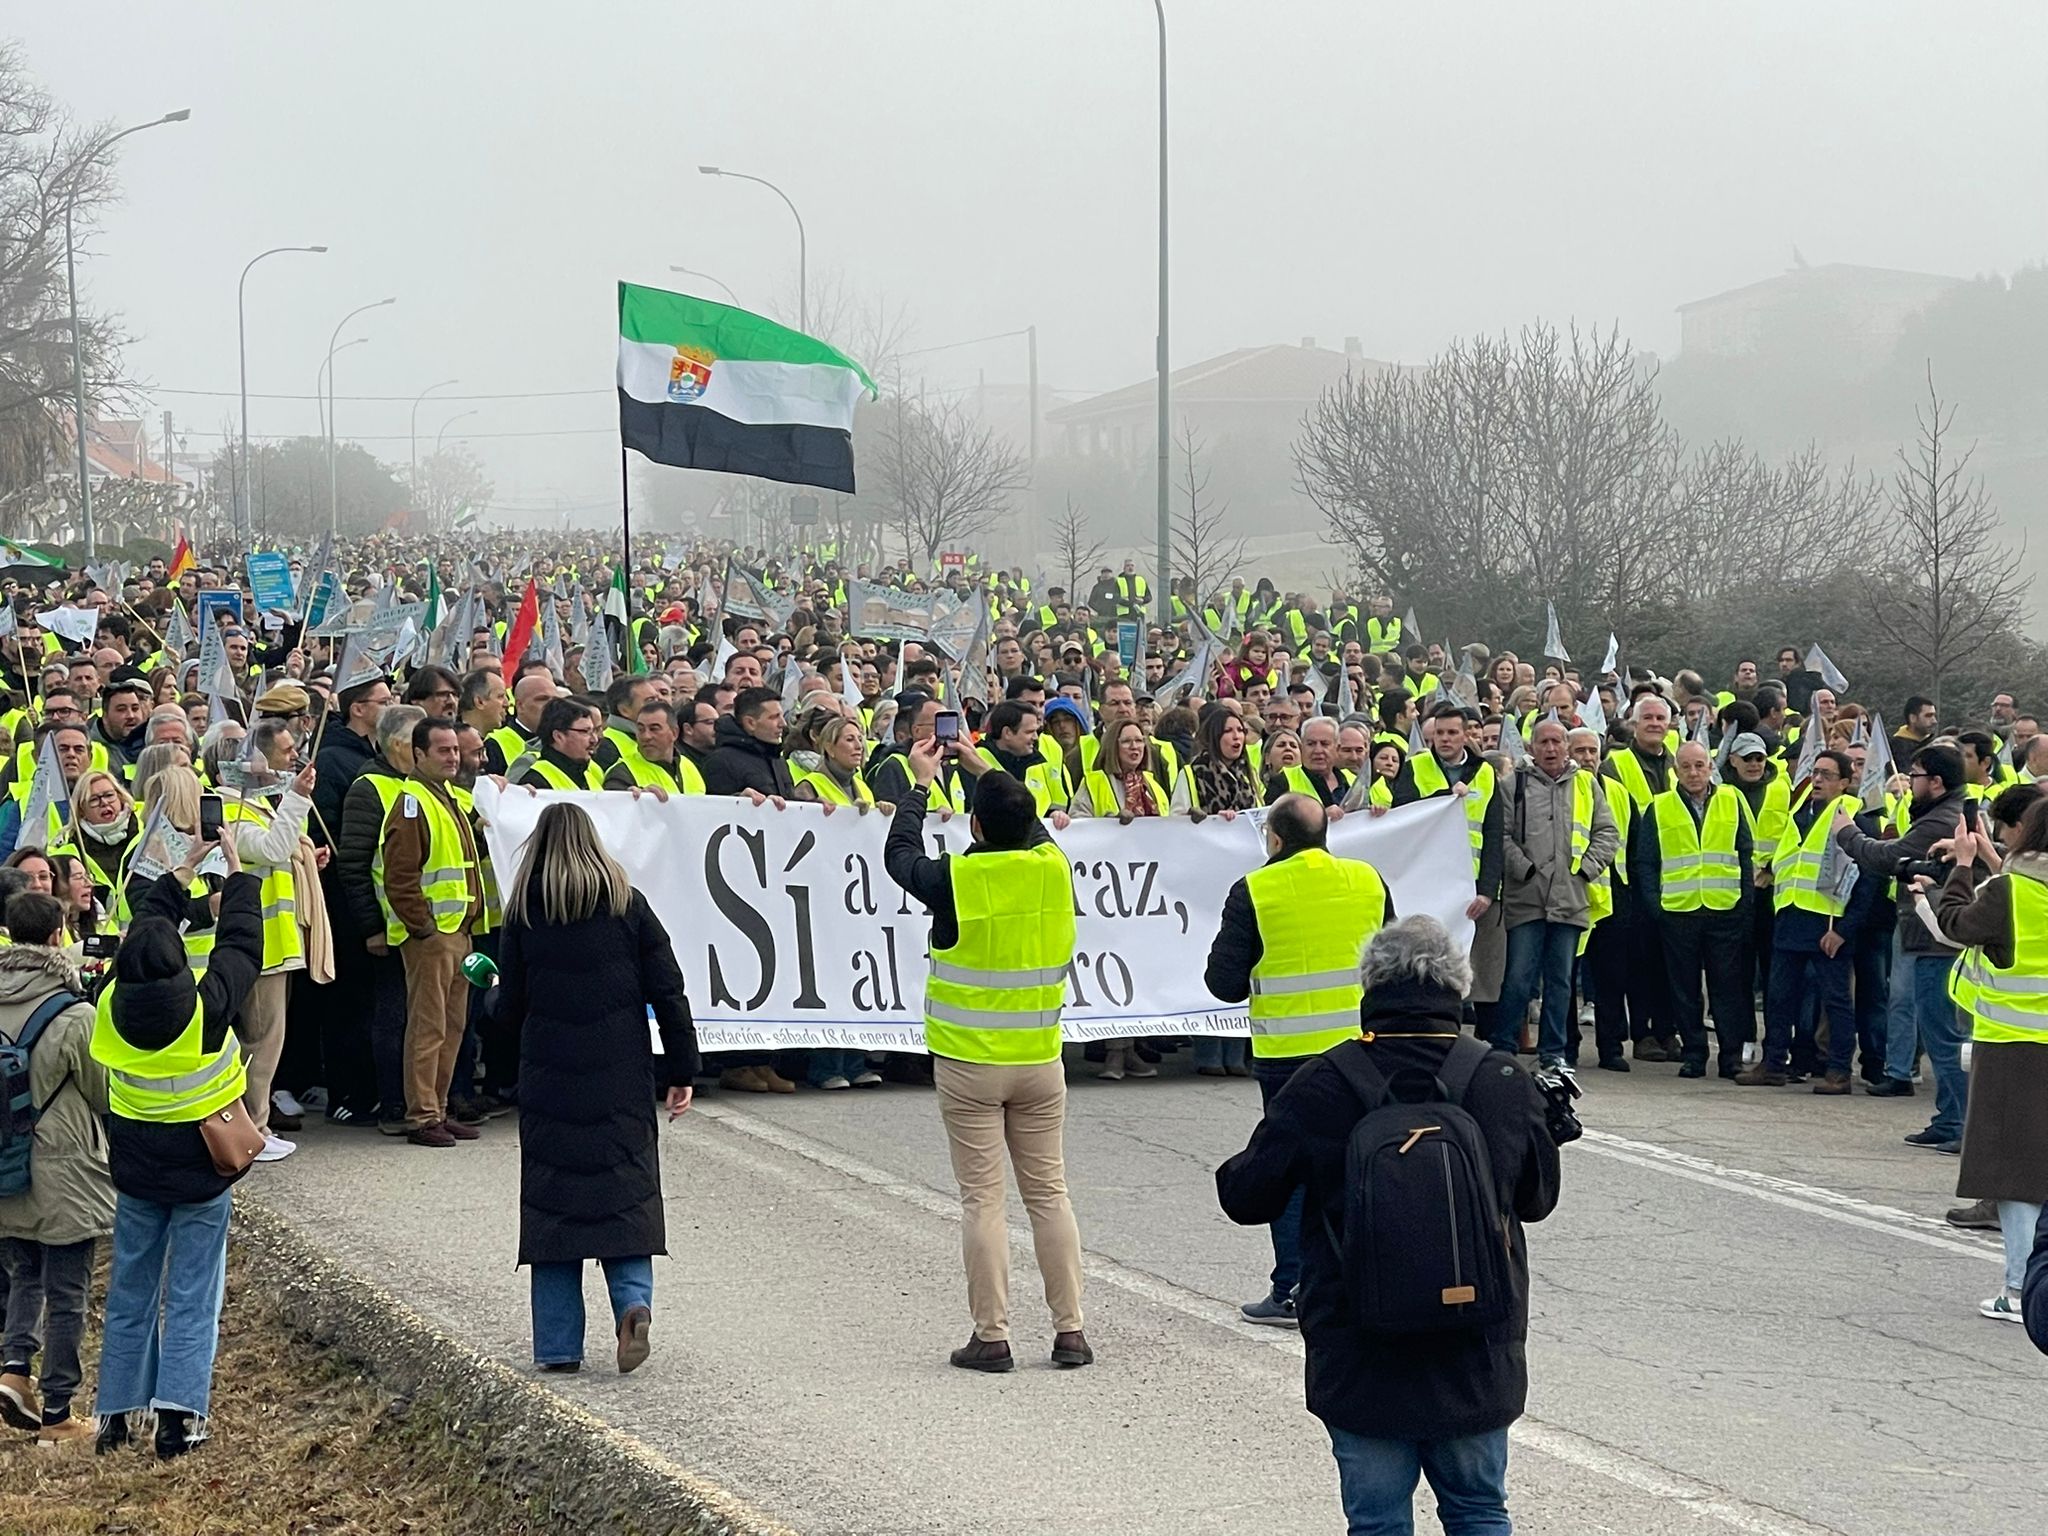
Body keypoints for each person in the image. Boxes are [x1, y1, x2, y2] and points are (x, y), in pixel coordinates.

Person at [1215, 917, 1561, 1535]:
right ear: (1457, 986)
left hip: (1360, 1346)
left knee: (1376, 1522)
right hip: (1476, 1345)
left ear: (1369, 987)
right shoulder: (1500, 1077)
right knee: (1480, 1509)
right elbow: (1536, 1201)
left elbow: (1245, 1196)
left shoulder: (1324, 1081)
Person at [883, 734, 1090, 1373]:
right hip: (1039, 1058)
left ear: (972, 823)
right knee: (1050, 1196)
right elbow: (1025, 823)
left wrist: (919, 784)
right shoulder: (1052, 866)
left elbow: (900, 856)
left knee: (984, 1200)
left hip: (969, 1062)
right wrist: (981, 766)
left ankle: (992, 1334)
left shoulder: (958, 877)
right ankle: (1070, 1331)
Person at [488, 803, 696, 1373]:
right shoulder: (628, 905)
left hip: (550, 1080)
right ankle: (633, 1305)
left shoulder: (525, 914)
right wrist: (682, 1069)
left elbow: (510, 1010)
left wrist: (498, 1062)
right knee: (625, 1197)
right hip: (621, 1078)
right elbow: (669, 991)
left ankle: (558, 1346)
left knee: (553, 1211)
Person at [89, 832, 263, 1459]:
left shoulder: (107, 1002)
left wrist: (176, 874)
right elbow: (242, 944)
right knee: (191, 1297)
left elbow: (145, 932)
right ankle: (179, 1419)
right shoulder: (205, 1004)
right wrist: (235, 876)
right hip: (203, 1165)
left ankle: (113, 1415)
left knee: (131, 1291)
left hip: (135, 1167)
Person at [1205, 793, 1394, 1328]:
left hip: (1289, 1056)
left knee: (1291, 1169)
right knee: (1362, 1164)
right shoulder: (1367, 879)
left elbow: (1222, 984)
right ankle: (1370, 1277)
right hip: (1363, 1050)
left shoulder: (1255, 890)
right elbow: (1391, 964)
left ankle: (1291, 1288)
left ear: (1277, 839)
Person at [0, 890, 108, 1449]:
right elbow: (101, 1091)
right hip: (63, 1170)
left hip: (3, 1167)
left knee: (23, 1273)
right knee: (67, 1292)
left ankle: (15, 1371)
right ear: (56, 937)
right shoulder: (74, 1014)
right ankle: (60, 1413)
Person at [1936, 794, 2048, 1323]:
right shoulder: (2016, 884)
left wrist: (1961, 867)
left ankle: (2020, 1287)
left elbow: (1956, 924)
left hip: (2014, 1047)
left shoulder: (2010, 890)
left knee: (2014, 1174)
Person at [1835, 743, 1971, 1147]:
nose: (1910, 783)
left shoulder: (1940, 819)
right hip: (1926, 934)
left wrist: (1847, 833)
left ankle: (1961, 1124)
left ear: (1936, 781)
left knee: (1943, 1036)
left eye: (1916, 776)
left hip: (1936, 939)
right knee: (1935, 1028)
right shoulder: (1938, 814)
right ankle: (1949, 1119)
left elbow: (1888, 856)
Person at [1739, 750, 1875, 1091]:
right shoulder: (1800, 812)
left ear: (1845, 782)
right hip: (1791, 918)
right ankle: (1773, 1064)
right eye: (1815, 772)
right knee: (1779, 997)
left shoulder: (1855, 817)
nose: (1816, 780)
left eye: (1827, 775)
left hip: (1828, 924)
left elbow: (1869, 881)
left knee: (1836, 1000)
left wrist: (1845, 930)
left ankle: (1839, 1070)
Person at [379, 717, 485, 1148]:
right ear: (418, 754)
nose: (453, 757)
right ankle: (422, 1115)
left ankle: (437, 1109)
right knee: (428, 1028)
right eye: (443, 750)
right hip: (434, 936)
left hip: (456, 930)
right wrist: (422, 927)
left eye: (455, 750)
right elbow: (399, 876)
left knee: (452, 1026)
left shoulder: (448, 798)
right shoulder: (412, 802)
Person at [215, 724, 318, 1161]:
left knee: (265, 1040)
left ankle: (257, 1124)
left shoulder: (255, 804)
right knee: (259, 1040)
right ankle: (253, 1129)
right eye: (282, 750)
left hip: (270, 943)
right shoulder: (228, 807)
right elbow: (272, 849)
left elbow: (279, 854)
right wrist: (297, 796)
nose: (291, 757)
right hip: (256, 947)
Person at [1496, 718, 1617, 1070]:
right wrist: (1525, 869)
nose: (1550, 748)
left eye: (1556, 742)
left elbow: (1607, 832)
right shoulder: (1511, 785)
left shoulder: (1586, 785)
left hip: (1570, 897)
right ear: (1531, 748)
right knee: (1519, 978)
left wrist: (1584, 870)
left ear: (1566, 747)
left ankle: (1554, 1053)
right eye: (1543, 742)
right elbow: (1500, 837)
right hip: (1527, 896)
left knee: (1561, 983)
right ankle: (1504, 1047)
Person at [1631, 740, 1754, 1079]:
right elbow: (1646, 861)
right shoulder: (1661, 806)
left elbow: (1746, 852)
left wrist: (1745, 903)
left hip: (1724, 909)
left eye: (1699, 765)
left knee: (1726, 987)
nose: (1694, 773)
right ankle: (1695, 1053)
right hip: (1679, 911)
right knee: (1684, 990)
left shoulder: (1732, 799)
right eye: (1686, 766)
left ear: (1710, 767)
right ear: (1675, 771)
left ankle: (1730, 1056)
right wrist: (1657, 908)